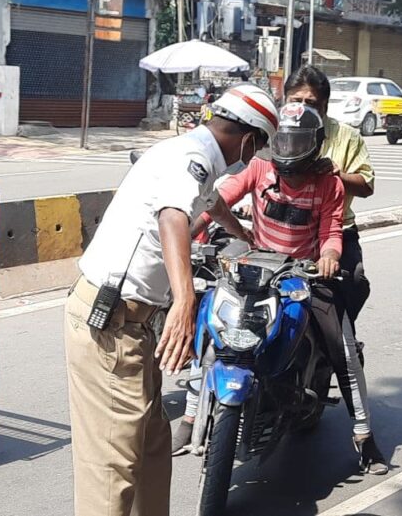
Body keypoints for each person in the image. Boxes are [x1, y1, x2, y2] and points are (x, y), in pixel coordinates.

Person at [64, 83, 278, 516]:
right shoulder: (192, 158)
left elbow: (210, 203)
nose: (253, 158)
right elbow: (174, 217)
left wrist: (243, 235)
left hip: (132, 326)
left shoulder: (191, 155)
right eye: (257, 149)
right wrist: (184, 302)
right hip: (111, 325)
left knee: (152, 447)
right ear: (251, 138)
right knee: (113, 467)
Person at [173, 103, 390, 475]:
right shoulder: (259, 167)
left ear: (315, 145)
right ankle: (191, 418)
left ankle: (363, 435)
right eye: (283, 142)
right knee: (209, 325)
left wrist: (330, 256)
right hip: (256, 267)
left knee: (343, 348)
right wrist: (190, 232)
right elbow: (219, 201)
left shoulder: (329, 183)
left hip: (301, 276)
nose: (288, 151)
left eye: (297, 143)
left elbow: (332, 231)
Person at [283, 65, 375, 334]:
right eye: (295, 101)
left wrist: (338, 173)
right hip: (286, 227)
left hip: (336, 229)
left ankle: (345, 353)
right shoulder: (275, 131)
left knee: (354, 282)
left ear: (323, 106)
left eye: (310, 103)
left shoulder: (346, 137)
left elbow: (367, 186)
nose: (302, 108)